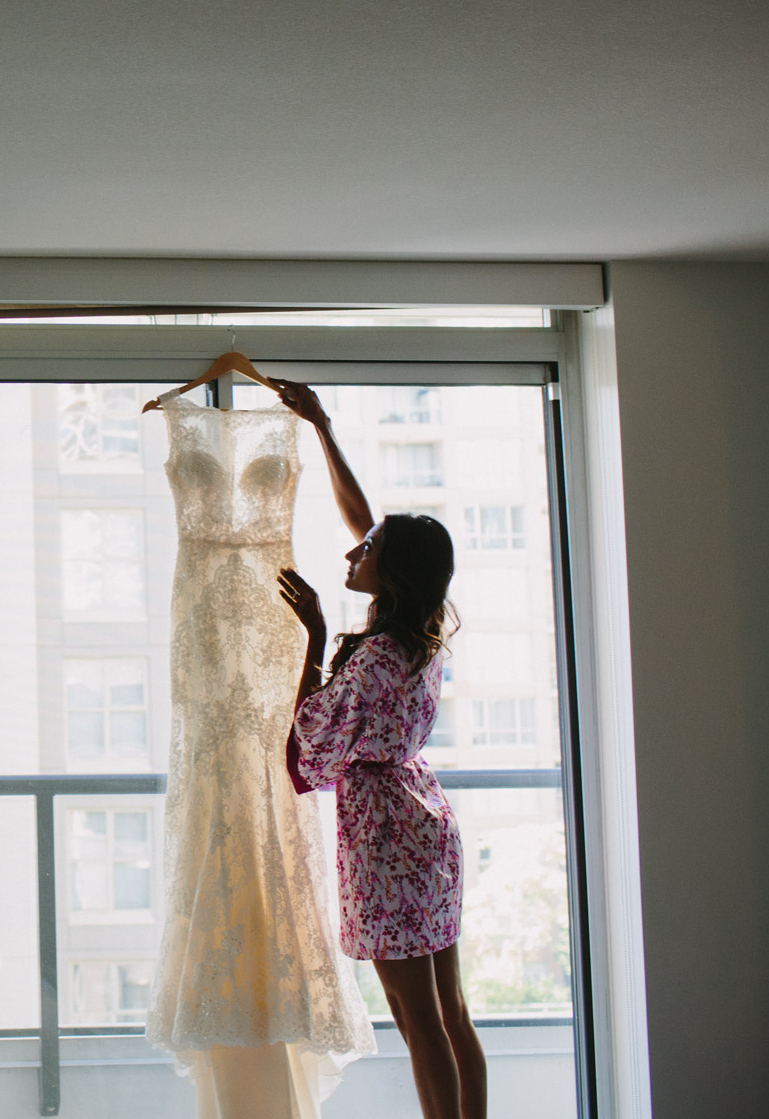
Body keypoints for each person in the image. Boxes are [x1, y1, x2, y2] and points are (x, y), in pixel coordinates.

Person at [271, 381, 486, 1119]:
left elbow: (306, 747)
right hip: (424, 819)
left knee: (417, 1020)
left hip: (390, 835)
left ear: (388, 573)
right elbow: (365, 519)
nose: (352, 547)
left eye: (368, 551)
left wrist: (314, 639)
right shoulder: (415, 629)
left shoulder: (372, 660)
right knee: (451, 1012)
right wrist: (322, 426)